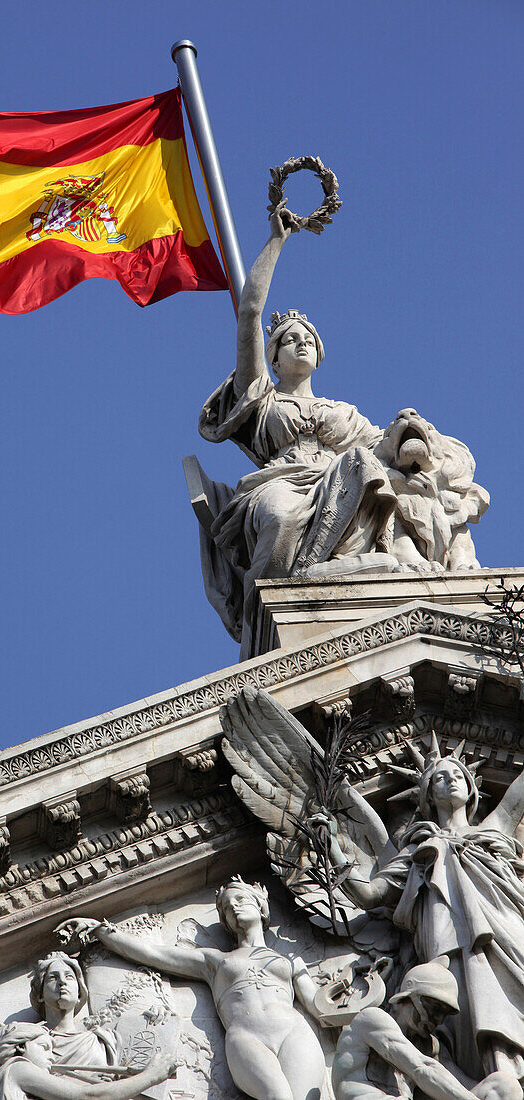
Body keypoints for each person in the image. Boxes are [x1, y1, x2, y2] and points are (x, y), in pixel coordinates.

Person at [197, 205, 400, 654]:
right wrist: (276, 242)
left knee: (363, 465)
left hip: (338, 483)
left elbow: (384, 451)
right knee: (280, 515)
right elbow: (250, 312)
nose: (301, 341)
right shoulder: (261, 398)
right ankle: (276, 604)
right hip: (280, 481)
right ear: (274, 356)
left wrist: (410, 436)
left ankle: (316, 572)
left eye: (308, 337)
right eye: (290, 338)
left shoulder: (344, 413)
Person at [318, 737, 524, 1082]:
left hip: (509, 938)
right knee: (467, 1022)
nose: (452, 779)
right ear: (428, 795)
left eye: (458, 774)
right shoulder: (419, 847)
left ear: (473, 790)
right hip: (450, 954)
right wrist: (334, 853)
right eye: (441, 777)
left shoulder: (494, 828)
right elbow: (371, 895)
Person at [57, 876, 334, 1100]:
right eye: (227, 907)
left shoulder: (290, 961)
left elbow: (319, 1007)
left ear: (261, 906)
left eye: (240, 900)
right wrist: (101, 931)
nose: (234, 907)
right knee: (277, 1097)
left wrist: (356, 990)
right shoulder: (214, 960)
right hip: (248, 1037)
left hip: (293, 1030)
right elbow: (153, 953)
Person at [332, 957, 522, 1100]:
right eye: (434, 1007)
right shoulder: (372, 1018)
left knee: (502, 1085)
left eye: (444, 1013)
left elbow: (457, 1085)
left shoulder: (430, 1046)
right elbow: (421, 1069)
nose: (438, 1020)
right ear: (408, 996)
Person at [0, 1022, 176, 1100]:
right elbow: (88, 1096)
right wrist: (151, 1076)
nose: (51, 1057)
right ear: (21, 1047)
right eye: (44, 1048)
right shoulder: (17, 1069)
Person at [29, 954, 118, 1076]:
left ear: (79, 994)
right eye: (53, 978)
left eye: (69, 976)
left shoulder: (100, 1041)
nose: (62, 982)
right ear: (40, 995)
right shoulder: (30, 1039)